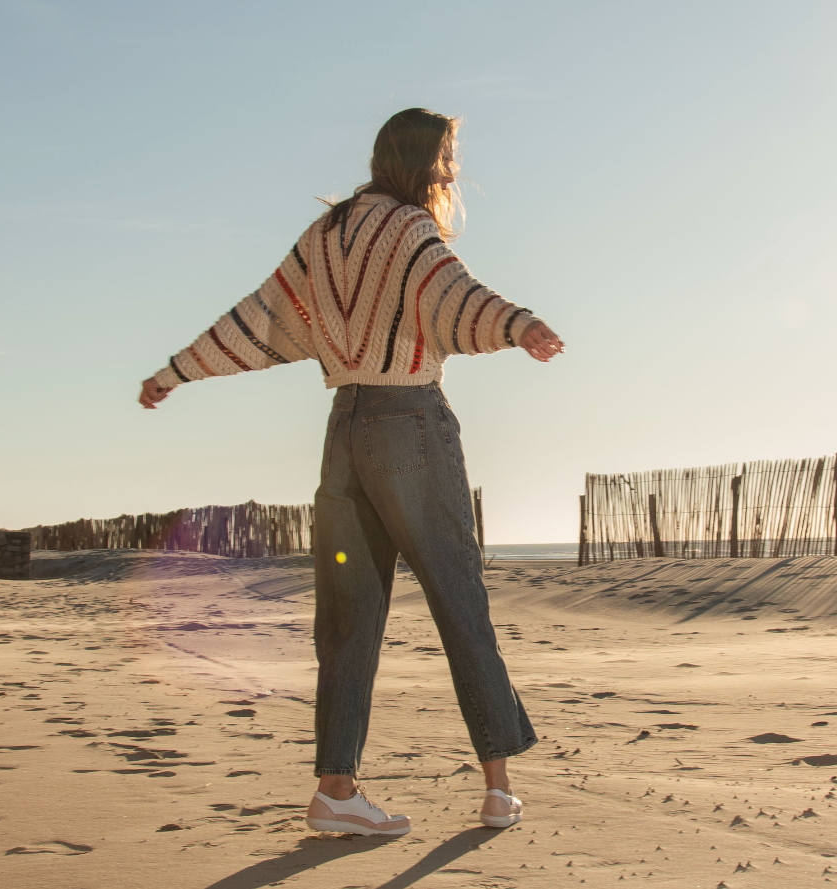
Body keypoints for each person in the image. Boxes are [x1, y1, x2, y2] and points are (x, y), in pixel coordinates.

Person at [139, 108, 564, 837]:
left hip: (345, 431)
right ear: (424, 164)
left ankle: (336, 789)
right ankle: (498, 790)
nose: (452, 171)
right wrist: (518, 323)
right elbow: (455, 296)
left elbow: (259, 318)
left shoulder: (326, 235)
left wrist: (175, 372)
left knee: (345, 618)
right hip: (410, 426)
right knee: (458, 598)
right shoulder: (407, 230)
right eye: (447, 158)